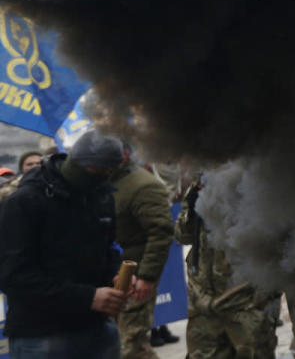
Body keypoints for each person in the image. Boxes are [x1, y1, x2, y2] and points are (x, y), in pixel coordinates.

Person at [0, 130, 129, 359]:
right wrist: (88, 297)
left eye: (110, 171)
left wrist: (115, 275)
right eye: (97, 171)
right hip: (42, 334)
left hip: (97, 328)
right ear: (78, 164)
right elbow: (14, 276)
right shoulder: (26, 201)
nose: (103, 177)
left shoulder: (101, 196)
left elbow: (107, 249)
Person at [175, 177, 280, 359]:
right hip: (204, 302)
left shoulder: (252, 180)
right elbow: (183, 237)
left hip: (245, 303)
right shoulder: (199, 185)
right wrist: (191, 210)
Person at [111, 143, 176, 359]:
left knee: (132, 345)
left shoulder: (142, 185)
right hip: (110, 273)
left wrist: (146, 276)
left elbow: (161, 233)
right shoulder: (106, 181)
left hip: (132, 274)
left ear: (125, 154)